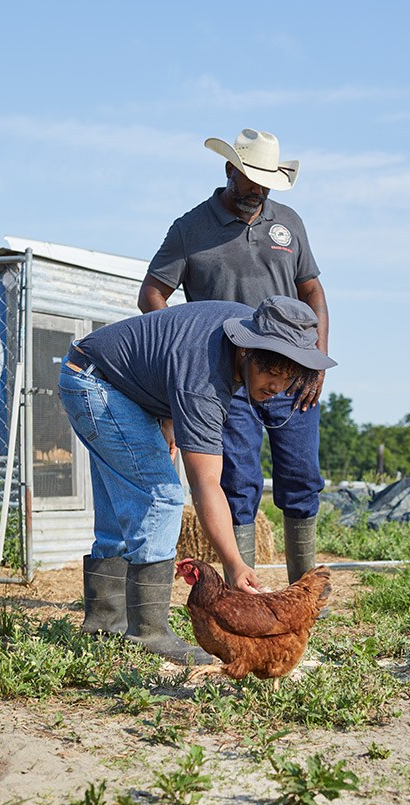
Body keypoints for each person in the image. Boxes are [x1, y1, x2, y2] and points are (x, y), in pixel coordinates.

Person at [59, 295, 336, 664]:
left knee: (119, 506)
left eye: (288, 379)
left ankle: (103, 623)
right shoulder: (205, 378)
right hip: (98, 385)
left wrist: (170, 414)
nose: (277, 388)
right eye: (271, 373)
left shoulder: (240, 329)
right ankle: (149, 631)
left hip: (96, 373)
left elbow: (170, 352)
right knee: (161, 496)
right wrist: (234, 564)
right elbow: (206, 483)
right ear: (248, 352)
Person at [137, 128, 329, 585]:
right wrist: (177, 355)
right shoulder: (189, 229)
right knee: (238, 482)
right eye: (250, 179)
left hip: (290, 375)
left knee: (301, 478)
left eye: (266, 183)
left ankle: (303, 594)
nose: (258, 190)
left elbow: (314, 291)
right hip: (228, 379)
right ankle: (248, 591)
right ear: (229, 170)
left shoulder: (289, 224)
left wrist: (317, 357)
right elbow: (152, 295)